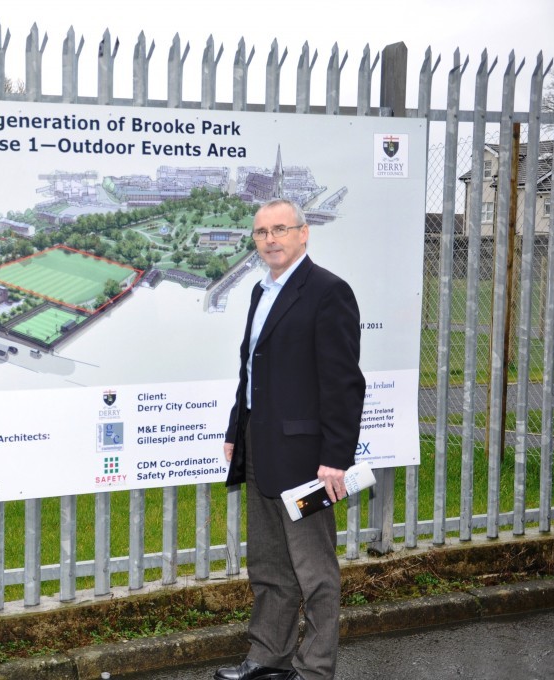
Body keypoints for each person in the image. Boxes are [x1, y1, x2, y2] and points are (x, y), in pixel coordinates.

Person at [216, 199, 365, 680]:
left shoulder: (327, 292)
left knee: (314, 572)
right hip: (260, 447)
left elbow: (343, 383)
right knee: (268, 566)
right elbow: (251, 370)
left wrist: (335, 459)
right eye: (261, 232)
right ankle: (267, 657)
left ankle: (315, 669)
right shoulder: (262, 292)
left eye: (281, 229)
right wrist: (236, 429)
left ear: (304, 233)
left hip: (307, 461)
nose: (270, 239)